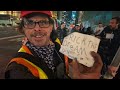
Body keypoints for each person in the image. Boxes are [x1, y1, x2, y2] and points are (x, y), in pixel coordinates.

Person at [5, 11, 103, 79]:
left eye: (43, 22)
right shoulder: (18, 68)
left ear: (52, 26)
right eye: (29, 23)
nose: (37, 28)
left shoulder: (59, 48)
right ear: (23, 29)